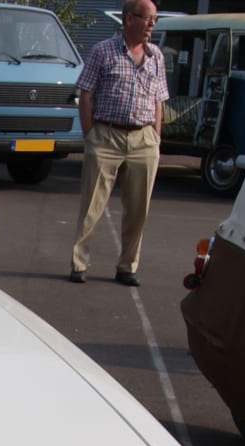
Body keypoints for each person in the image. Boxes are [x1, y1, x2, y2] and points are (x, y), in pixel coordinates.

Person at [68, 0, 167, 286]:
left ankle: (127, 266)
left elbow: (159, 100)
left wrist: (155, 138)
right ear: (128, 19)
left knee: (139, 208)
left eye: (154, 19)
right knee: (92, 205)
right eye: (146, 18)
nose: (151, 24)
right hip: (106, 136)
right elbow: (85, 94)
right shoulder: (103, 51)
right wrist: (91, 136)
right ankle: (79, 263)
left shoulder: (156, 56)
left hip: (143, 138)